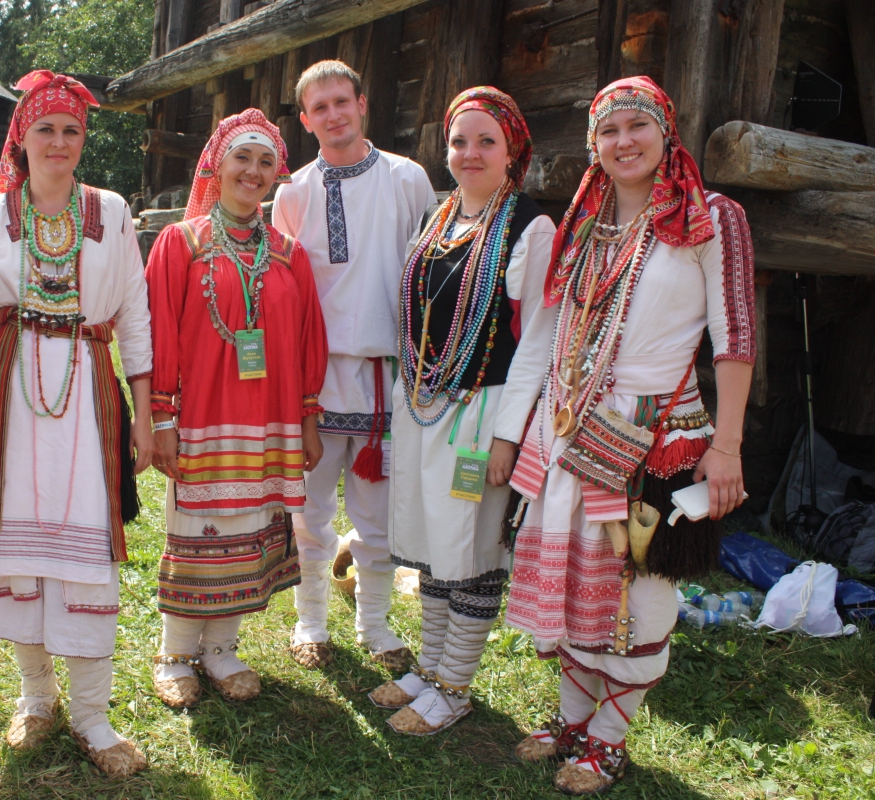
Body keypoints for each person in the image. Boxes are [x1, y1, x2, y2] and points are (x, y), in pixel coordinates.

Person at [504, 76, 755, 794]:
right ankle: (571, 717)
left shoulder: (711, 217)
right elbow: (555, 332)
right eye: (608, 131)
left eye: (638, 126)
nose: (624, 142)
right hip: (572, 428)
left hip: (653, 433)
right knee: (579, 574)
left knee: (639, 585)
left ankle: (609, 737)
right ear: (594, 144)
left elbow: (734, 336)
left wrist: (728, 444)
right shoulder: (585, 223)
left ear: (665, 132)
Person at [0, 70, 152, 779]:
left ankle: (93, 712)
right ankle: (37, 697)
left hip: (88, 389)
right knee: (16, 546)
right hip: (5, 393)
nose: (59, 142)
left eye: (71, 130)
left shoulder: (114, 211)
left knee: (86, 551)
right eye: (45, 129)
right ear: (21, 140)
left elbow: (135, 315)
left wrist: (146, 413)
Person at [368, 88, 557, 735]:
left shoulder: (531, 228)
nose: (469, 153)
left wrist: (509, 437)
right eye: (459, 141)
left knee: (468, 547)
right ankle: (428, 668)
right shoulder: (439, 217)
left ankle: (455, 685)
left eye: (486, 141)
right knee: (429, 543)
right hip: (426, 405)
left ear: (512, 152)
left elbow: (536, 341)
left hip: (482, 413)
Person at [147, 108, 328, 709]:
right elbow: (159, 336)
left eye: (265, 162)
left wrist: (306, 417)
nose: (253, 172)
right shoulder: (183, 241)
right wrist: (161, 416)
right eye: (242, 158)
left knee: (249, 530)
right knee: (199, 526)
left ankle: (221, 648)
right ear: (217, 165)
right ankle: (175, 651)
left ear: (277, 174)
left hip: (268, 420)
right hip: (201, 415)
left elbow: (306, 340)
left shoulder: (288, 253)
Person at [272, 60, 435, 671]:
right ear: (306, 119)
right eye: (320, 107)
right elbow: (285, 288)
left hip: (386, 379)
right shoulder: (293, 193)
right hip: (315, 379)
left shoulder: (406, 178)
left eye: (343, 101)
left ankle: (375, 626)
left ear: (362, 103)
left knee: (376, 515)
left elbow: (428, 271)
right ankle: (311, 621)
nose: (333, 115)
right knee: (310, 512)